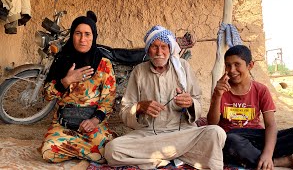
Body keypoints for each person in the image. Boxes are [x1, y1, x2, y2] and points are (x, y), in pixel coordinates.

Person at [104, 25, 226, 169]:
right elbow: (125, 111)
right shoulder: (139, 71)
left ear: (170, 48)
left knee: (216, 133)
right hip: (149, 135)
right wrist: (139, 107)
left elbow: (197, 102)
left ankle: (155, 158)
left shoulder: (183, 67)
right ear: (148, 49)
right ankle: (174, 157)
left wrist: (190, 103)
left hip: (182, 133)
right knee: (112, 149)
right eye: (154, 47)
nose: (159, 52)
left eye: (163, 47)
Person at [207, 45, 293, 169]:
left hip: (257, 136)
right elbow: (212, 123)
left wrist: (267, 153)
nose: (232, 70)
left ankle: (257, 157)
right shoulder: (221, 90)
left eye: (237, 64)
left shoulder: (261, 90)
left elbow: (271, 125)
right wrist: (217, 96)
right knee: (229, 140)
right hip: (232, 138)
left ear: (250, 65)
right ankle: (278, 161)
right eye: (228, 65)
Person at [40, 11, 116, 163]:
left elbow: (108, 100)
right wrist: (66, 81)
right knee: (48, 151)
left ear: (93, 37)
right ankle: (91, 153)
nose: (83, 39)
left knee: (110, 150)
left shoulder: (103, 64)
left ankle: (75, 150)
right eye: (78, 34)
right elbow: (47, 95)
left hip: (93, 125)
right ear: (72, 35)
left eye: (87, 34)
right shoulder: (61, 60)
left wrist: (95, 120)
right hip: (64, 125)